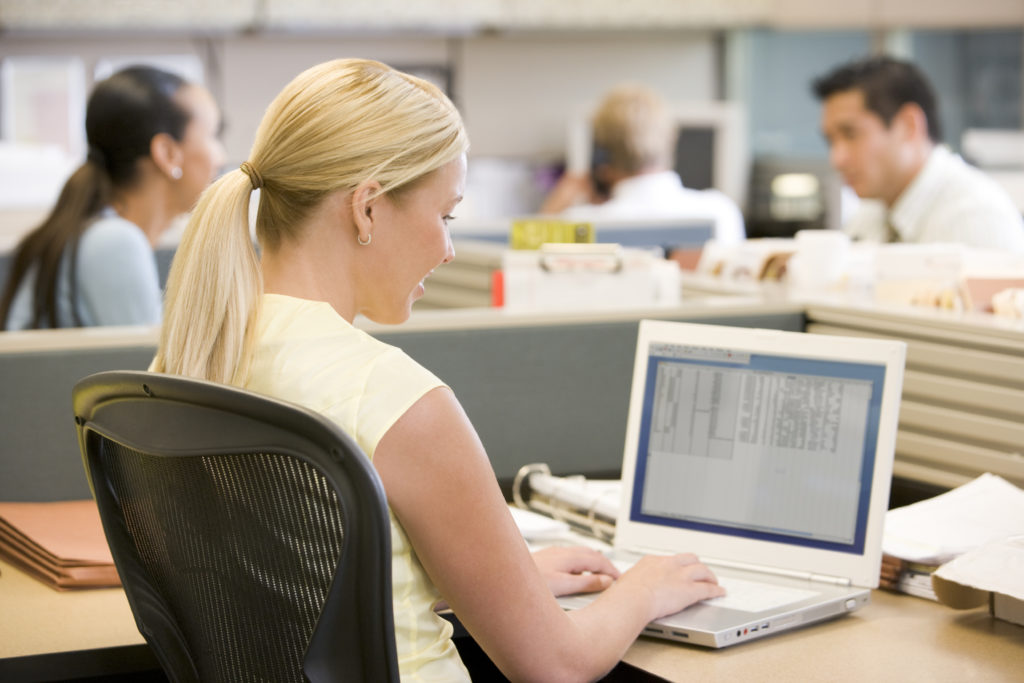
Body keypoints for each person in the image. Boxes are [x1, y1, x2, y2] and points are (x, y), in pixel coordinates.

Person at [152, 58, 724, 682]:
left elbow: (291, 587)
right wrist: (644, 589)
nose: (449, 249)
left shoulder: (198, 355)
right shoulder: (393, 398)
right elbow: (555, 666)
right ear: (367, 208)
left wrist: (498, 584)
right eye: (445, 215)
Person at [0, 65, 225, 330]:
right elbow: (155, 369)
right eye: (213, 136)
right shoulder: (114, 242)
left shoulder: (99, 233)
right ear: (166, 154)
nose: (221, 158)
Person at [813, 55, 1024, 252]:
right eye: (830, 140)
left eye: (851, 134)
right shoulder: (870, 215)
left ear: (908, 125)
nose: (837, 159)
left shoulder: (974, 220)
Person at [540, 84, 746, 246]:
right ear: (671, 139)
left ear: (602, 154)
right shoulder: (720, 211)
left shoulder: (578, 225)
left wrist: (549, 214)